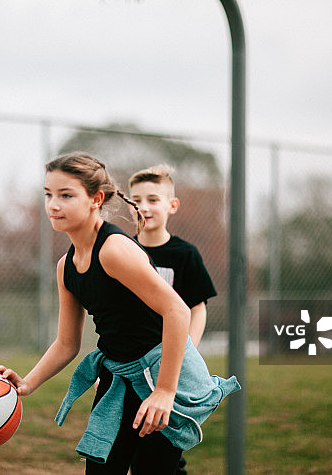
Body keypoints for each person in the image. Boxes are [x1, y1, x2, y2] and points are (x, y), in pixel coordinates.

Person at [0, 152, 239, 475]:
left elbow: (177, 310)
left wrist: (164, 391)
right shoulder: (66, 267)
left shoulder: (114, 250)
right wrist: (27, 383)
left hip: (160, 375)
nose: (53, 205)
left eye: (66, 195)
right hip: (117, 376)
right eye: (48, 194)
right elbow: (66, 343)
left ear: (96, 199)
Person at [128, 164, 218, 475]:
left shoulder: (184, 254)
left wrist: (182, 355)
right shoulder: (121, 251)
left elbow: (197, 308)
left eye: (153, 199)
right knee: (129, 451)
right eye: (136, 199)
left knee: (160, 451)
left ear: (172, 205)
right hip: (129, 366)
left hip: (168, 370)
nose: (143, 207)